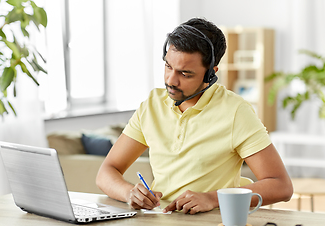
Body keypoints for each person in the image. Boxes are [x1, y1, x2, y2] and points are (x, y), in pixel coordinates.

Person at [96, 17, 293, 214]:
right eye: (168, 66)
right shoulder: (152, 105)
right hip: (159, 223)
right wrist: (129, 193)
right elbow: (106, 172)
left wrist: (212, 198)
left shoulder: (236, 112)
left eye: (185, 74)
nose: (171, 80)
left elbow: (280, 186)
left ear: (211, 74)